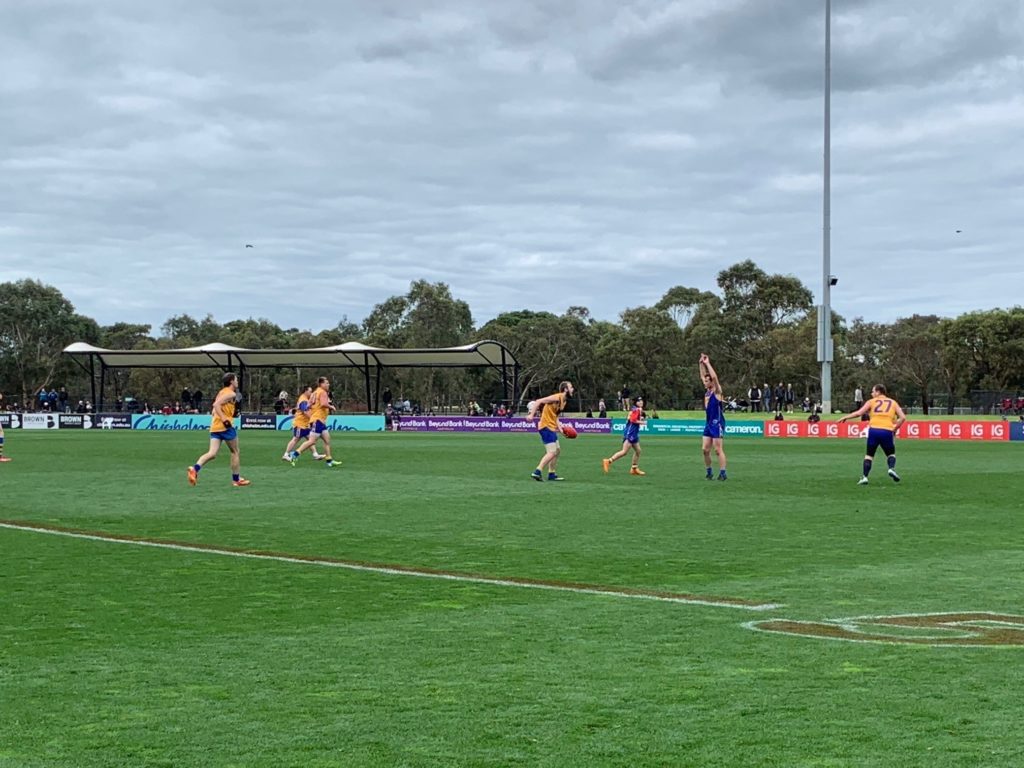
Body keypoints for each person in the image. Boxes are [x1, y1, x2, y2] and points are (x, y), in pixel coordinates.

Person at [187, 372, 250, 487]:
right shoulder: (231, 394)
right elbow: (216, 405)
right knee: (235, 451)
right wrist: (225, 419)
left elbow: (214, 410)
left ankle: (195, 469)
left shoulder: (221, 392)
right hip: (225, 427)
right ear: (231, 381)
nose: (237, 382)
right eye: (236, 380)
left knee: (212, 453)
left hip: (215, 426)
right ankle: (236, 480)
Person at [837, 384, 906, 485]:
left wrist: (845, 417)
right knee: (891, 454)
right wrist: (895, 428)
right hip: (887, 431)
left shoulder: (871, 402)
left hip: (873, 431)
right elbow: (903, 417)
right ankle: (891, 469)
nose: (871, 393)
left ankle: (865, 477)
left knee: (869, 455)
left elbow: (859, 413)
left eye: (873, 391)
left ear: (878, 392)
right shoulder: (893, 402)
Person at [527, 381, 574, 481]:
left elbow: (555, 416)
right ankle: (537, 471)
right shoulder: (557, 397)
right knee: (552, 452)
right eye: (571, 387)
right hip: (545, 426)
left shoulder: (563, 401)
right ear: (565, 389)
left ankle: (551, 474)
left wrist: (561, 429)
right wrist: (531, 415)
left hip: (551, 427)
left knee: (557, 450)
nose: (572, 389)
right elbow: (538, 401)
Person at [292, 376, 337, 467]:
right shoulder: (322, 392)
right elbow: (324, 404)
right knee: (312, 441)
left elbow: (308, 404)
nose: (328, 384)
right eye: (327, 383)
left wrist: (309, 407)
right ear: (322, 384)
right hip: (318, 420)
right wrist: (331, 406)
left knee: (327, 440)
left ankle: (329, 460)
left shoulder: (315, 392)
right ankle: (295, 454)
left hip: (319, 420)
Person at [700, 353, 727, 480]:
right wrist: (701, 364)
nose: (704, 382)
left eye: (707, 380)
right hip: (708, 423)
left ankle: (722, 473)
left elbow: (714, 377)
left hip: (717, 423)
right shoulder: (707, 391)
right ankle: (709, 471)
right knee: (705, 449)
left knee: (717, 450)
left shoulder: (717, 391)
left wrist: (707, 363)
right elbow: (702, 376)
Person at [603, 394, 646, 475]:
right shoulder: (636, 410)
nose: (641, 402)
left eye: (641, 400)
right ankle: (608, 461)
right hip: (630, 432)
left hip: (634, 432)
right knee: (624, 451)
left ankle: (634, 468)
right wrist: (642, 422)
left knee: (638, 451)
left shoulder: (637, 409)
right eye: (639, 401)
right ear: (636, 403)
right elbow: (633, 420)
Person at [282, 385, 324, 462]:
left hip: (305, 424)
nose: (311, 393)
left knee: (311, 440)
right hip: (300, 424)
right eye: (310, 391)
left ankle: (315, 454)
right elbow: (305, 412)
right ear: (305, 391)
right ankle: (286, 454)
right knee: (295, 439)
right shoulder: (303, 400)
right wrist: (314, 418)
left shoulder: (305, 399)